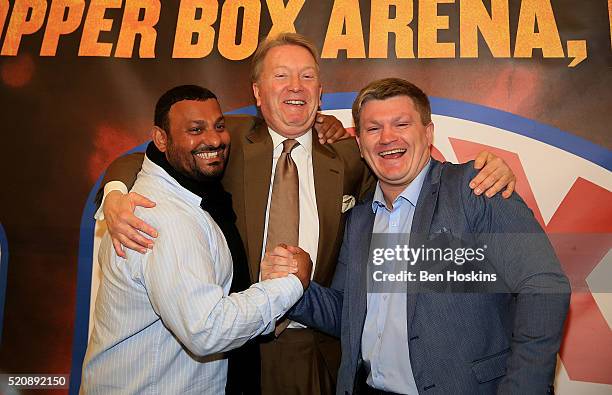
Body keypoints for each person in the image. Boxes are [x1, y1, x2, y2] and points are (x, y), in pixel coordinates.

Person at [96, 34, 517, 394]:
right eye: (280, 75)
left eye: (307, 76)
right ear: (258, 93)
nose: (295, 85)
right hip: (242, 350)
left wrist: (485, 170)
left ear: (319, 92)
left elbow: (415, 176)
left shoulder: (352, 155)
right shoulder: (228, 138)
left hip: (322, 351)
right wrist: (114, 194)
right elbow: (144, 159)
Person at [289, 78, 571, 395]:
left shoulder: (475, 188)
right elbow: (349, 313)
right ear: (360, 146)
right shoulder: (359, 220)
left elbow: (544, 285)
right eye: (373, 128)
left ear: (428, 133)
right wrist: (297, 288)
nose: (387, 137)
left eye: (401, 123)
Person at [80, 85, 313, 394]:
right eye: (195, 129)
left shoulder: (197, 182)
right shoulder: (163, 217)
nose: (214, 139)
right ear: (161, 139)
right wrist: (291, 283)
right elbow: (207, 330)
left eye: (218, 126)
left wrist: (321, 125)